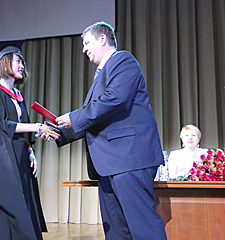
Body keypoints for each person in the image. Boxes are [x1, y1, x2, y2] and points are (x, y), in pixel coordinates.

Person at [55, 22, 167, 239]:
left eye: (87, 43)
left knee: (142, 226)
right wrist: (59, 132)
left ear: (103, 39)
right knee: (116, 230)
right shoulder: (103, 73)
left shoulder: (123, 60)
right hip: (109, 164)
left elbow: (114, 101)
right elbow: (96, 118)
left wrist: (73, 118)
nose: (84, 49)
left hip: (129, 159)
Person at [0, 41, 59, 240]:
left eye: (22, 62)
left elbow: (23, 130)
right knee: (2, 214)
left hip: (18, 159)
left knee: (22, 208)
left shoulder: (18, 96)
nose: (22, 66)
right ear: (4, 63)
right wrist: (37, 127)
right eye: (18, 61)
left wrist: (31, 153)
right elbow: (3, 125)